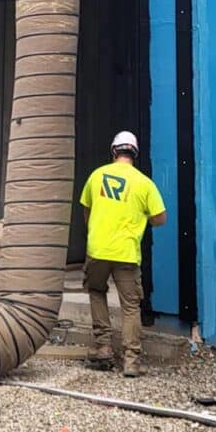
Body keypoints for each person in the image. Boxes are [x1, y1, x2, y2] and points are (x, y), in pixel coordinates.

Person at [79, 131, 167, 377]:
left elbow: (86, 209)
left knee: (97, 291)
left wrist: (97, 231)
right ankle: (131, 361)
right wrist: (142, 217)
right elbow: (160, 218)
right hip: (126, 252)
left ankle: (103, 347)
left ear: (113, 151)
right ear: (134, 154)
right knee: (130, 305)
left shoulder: (97, 176)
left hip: (98, 249)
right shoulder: (144, 183)